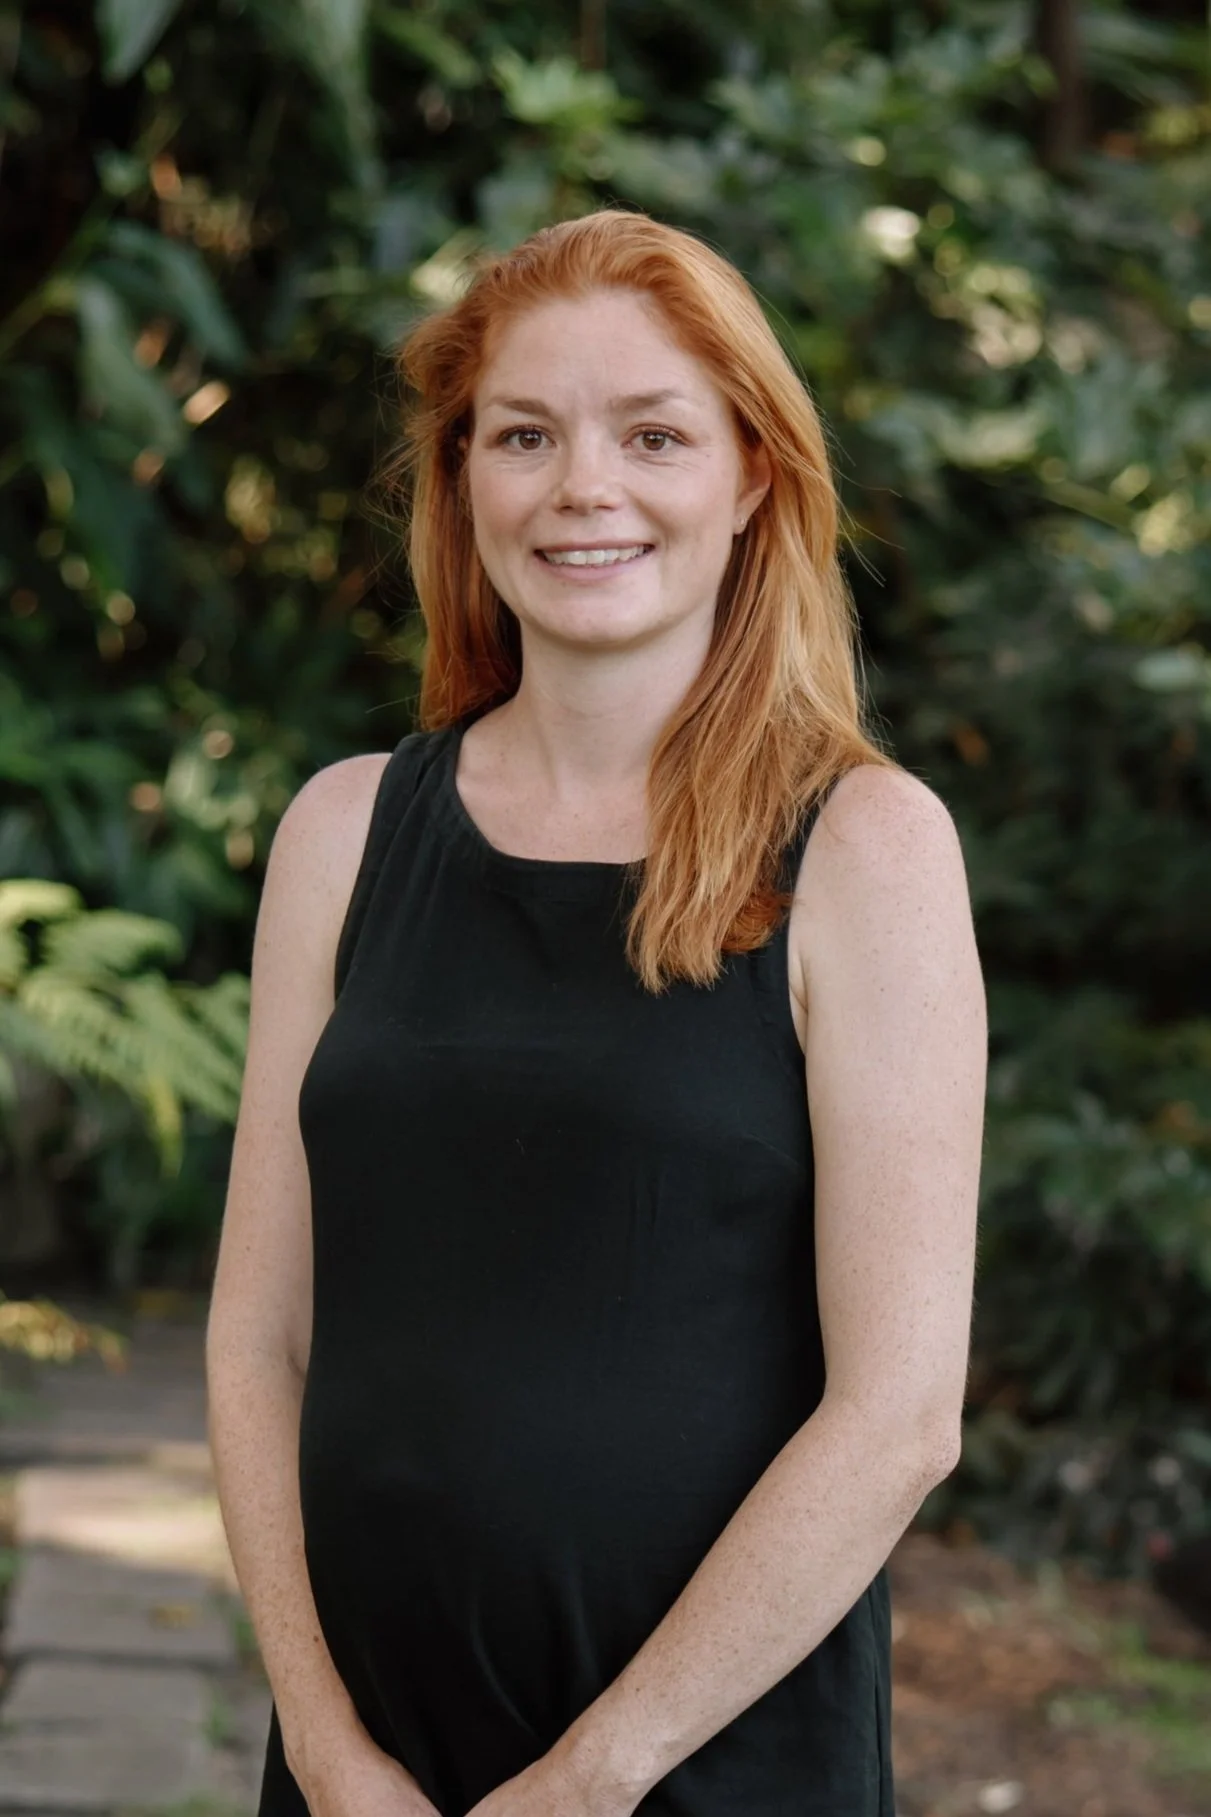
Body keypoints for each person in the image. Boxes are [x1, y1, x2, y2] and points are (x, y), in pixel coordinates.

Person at [206, 206, 986, 1817]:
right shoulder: (342, 833)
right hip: (370, 1764)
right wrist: (326, 1747)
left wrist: (591, 1779)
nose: (583, 489)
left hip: (700, 1763)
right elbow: (255, 1337)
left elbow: (899, 1416)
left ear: (752, 473)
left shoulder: (865, 849)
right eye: (524, 434)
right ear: (461, 477)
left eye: (652, 433)